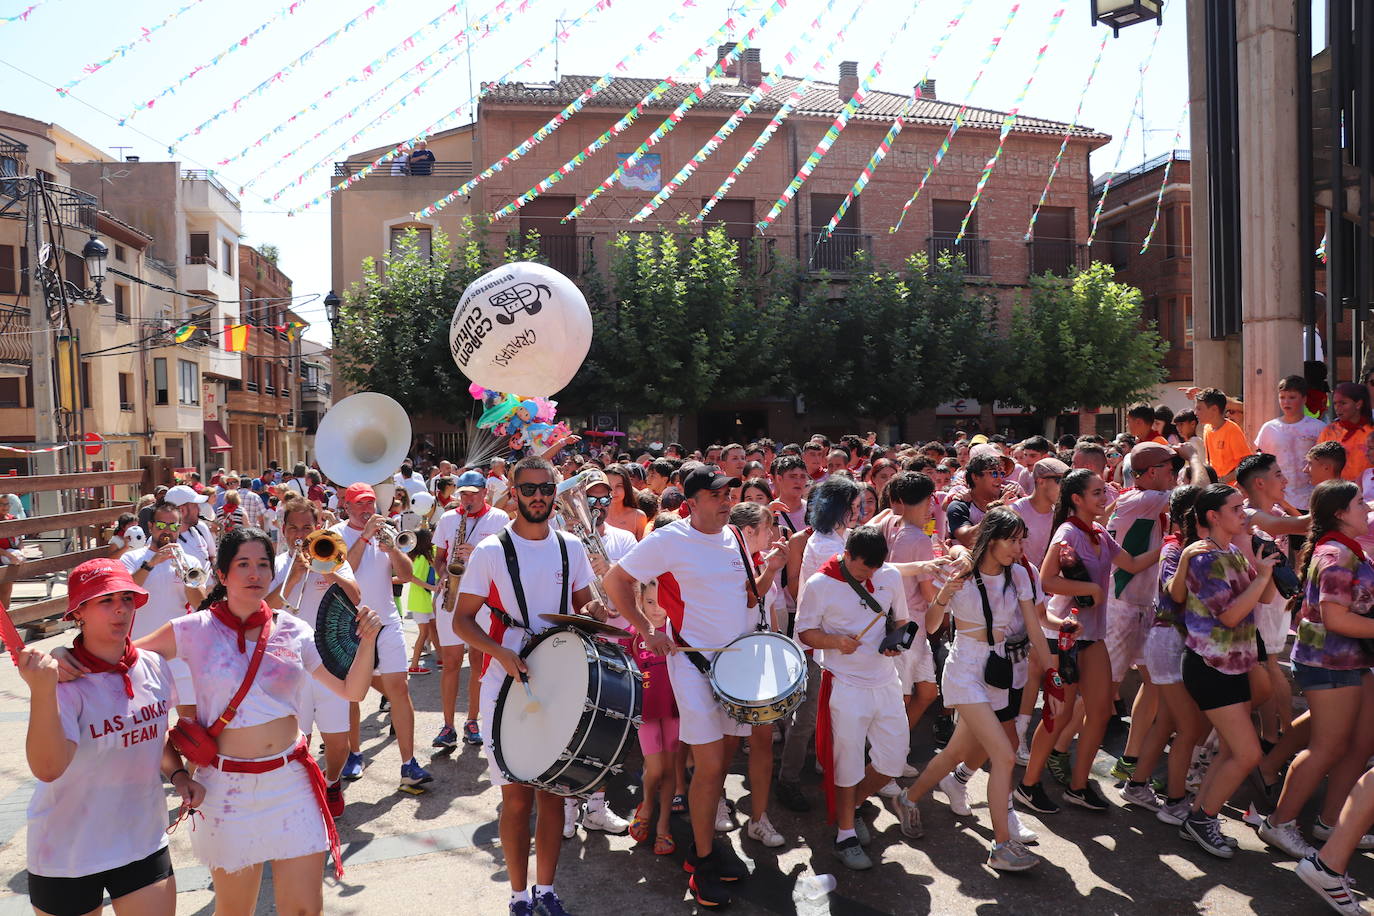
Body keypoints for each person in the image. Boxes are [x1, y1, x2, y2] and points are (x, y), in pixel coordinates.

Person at [123, 527, 383, 912]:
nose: (255, 574)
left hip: (291, 782)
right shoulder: (192, 630)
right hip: (225, 790)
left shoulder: (293, 629)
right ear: (223, 575)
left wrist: (368, 641)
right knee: (234, 910)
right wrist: (66, 656)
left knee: (305, 909)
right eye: (243, 564)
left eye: (263, 564)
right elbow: (123, 658)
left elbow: (352, 691)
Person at [605, 465, 762, 909]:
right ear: (692, 502)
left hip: (735, 670)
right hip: (692, 665)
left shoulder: (734, 537)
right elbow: (616, 580)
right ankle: (702, 861)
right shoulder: (671, 539)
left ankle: (708, 842)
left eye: (728, 492)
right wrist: (645, 629)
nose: (727, 500)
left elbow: (745, 599)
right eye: (716, 495)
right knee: (710, 765)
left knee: (723, 764)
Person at [452, 456, 601, 916]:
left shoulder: (571, 546)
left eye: (546, 488)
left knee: (553, 793)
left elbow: (585, 602)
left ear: (555, 493)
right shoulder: (491, 551)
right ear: (513, 493)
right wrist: (499, 653)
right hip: (505, 683)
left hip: (560, 680)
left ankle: (547, 890)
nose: (539, 496)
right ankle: (518, 895)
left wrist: (599, 608)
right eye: (530, 488)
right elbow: (461, 620)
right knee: (516, 798)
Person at [21, 559, 204, 916]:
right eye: (105, 600)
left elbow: (154, 733)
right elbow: (47, 768)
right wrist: (41, 693)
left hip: (141, 840)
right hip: (67, 851)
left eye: (127, 598)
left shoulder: (153, 665)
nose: (121, 608)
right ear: (79, 612)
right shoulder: (61, 683)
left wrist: (178, 774)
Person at [894, 508, 1055, 872]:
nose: (1018, 547)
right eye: (1011, 540)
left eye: (1020, 539)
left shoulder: (1020, 576)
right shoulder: (962, 575)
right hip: (965, 669)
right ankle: (1001, 845)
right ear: (992, 540)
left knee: (955, 753)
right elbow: (933, 625)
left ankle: (909, 797)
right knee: (1004, 755)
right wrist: (943, 596)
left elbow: (1034, 629)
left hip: (996, 672)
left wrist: (1053, 676)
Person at [1016, 469, 1160, 814]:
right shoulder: (1067, 532)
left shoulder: (1098, 532)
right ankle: (1028, 785)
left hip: (1093, 636)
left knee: (1098, 711)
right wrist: (1090, 589)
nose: (1104, 497)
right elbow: (1047, 581)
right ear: (1077, 499)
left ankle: (1079, 786)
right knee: (1058, 715)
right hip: (1062, 637)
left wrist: (1170, 545)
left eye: (1103, 491)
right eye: (1097, 492)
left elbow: (1133, 563)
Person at [1258, 478, 1374, 861]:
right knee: (1327, 747)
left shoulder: (1345, 548)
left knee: (1356, 743)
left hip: (1350, 660)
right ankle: (1279, 822)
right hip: (1329, 661)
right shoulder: (1336, 555)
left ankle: (1331, 823)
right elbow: (1335, 618)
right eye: (1359, 503)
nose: (1367, 508)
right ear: (1340, 514)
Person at [1165, 484, 1279, 857]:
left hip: (1234, 665)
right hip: (1211, 666)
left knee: (1229, 749)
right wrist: (1261, 577)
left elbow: (1261, 598)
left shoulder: (1231, 550)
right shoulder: (1203, 558)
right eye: (1236, 508)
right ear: (1213, 516)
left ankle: (1198, 817)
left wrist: (1266, 568)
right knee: (1246, 754)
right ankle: (1202, 819)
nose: (1244, 513)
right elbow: (1229, 615)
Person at [797, 525, 911, 870]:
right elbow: (804, 631)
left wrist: (896, 642)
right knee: (845, 764)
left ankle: (854, 805)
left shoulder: (889, 575)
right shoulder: (820, 584)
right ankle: (845, 832)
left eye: (875, 569)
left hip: (885, 680)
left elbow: (902, 618)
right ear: (847, 556)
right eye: (863, 569)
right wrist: (836, 642)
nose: (869, 576)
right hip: (844, 683)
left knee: (893, 761)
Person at [331, 483, 432, 789]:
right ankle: (354, 753)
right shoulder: (336, 533)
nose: (367, 510)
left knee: (399, 688)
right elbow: (345, 568)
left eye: (370, 504)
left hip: (387, 621)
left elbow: (406, 574)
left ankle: (409, 764)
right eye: (360, 505)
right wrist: (364, 537)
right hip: (351, 622)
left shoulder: (387, 532)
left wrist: (390, 548)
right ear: (347, 507)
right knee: (352, 694)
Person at [270, 495, 364, 816]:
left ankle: (333, 781)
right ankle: (302, 793)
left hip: (330, 663)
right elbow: (264, 609)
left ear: (318, 527)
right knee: (299, 740)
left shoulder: (334, 556)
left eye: (306, 527)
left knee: (339, 743)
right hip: (290, 667)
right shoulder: (279, 565)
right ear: (283, 531)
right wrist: (294, 576)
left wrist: (327, 568)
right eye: (293, 528)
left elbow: (355, 595)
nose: (299, 534)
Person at [432, 470, 510, 749]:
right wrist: (442, 574)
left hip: (483, 598)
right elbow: (439, 557)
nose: (468, 499)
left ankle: (473, 720)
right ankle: (447, 725)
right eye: (463, 494)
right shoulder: (448, 518)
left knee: (478, 660)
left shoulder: (499, 518)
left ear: (485, 492)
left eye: (473, 493)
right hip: (452, 593)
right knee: (450, 662)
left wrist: (476, 552)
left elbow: (505, 559)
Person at [123, 501, 208, 715]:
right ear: (150, 527)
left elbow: (200, 604)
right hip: (142, 652)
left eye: (173, 526)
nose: (167, 531)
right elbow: (125, 595)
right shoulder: (132, 558)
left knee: (191, 722)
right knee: (146, 723)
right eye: (162, 525)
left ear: (180, 527)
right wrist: (151, 563)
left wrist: (188, 578)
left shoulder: (189, 560)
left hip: (180, 653)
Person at [1256, 375, 1327, 512]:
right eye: (1282, 397)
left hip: (1313, 499)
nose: (1286, 402)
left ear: (1304, 399)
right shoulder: (1269, 428)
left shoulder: (1318, 428)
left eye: (1292, 397)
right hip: (1279, 502)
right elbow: (1261, 463)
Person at [1318, 382, 1374, 483]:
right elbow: (1318, 462)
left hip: (1367, 492)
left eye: (1343, 403)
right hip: (1335, 491)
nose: (1337, 407)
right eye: (1335, 403)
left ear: (1358, 404)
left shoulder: (1371, 432)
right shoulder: (1329, 431)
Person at [947, 452, 1004, 548]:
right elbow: (968, 539)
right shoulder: (959, 506)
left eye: (1001, 473)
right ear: (975, 477)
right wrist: (997, 513)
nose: (999, 479)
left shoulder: (1010, 498)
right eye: (994, 473)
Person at [163, 484, 215, 568]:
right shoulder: (158, 539)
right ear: (182, 510)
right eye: (195, 506)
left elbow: (212, 556)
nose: (199, 510)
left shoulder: (201, 527)